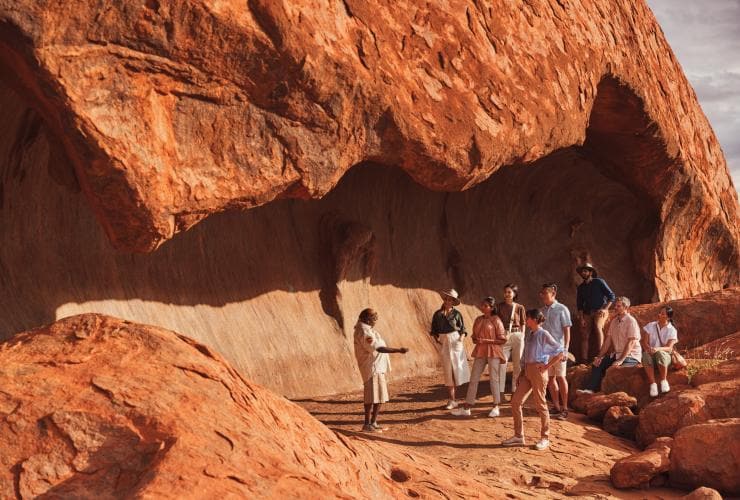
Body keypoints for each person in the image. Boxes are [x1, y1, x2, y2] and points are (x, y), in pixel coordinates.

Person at [502, 309, 564, 451]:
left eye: (528, 318)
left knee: (540, 404)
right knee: (515, 402)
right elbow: (525, 355)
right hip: (528, 372)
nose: (526, 320)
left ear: (535, 319)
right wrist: (522, 372)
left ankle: (545, 438)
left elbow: (560, 352)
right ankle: (519, 436)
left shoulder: (543, 334)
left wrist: (547, 366)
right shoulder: (529, 334)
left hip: (538, 371)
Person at [353, 308, 409, 432]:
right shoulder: (364, 331)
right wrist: (398, 350)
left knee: (380, 396)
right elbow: (379, 348)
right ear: (368, 319)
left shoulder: (368, 330)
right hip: (371, 367)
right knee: (371, 397)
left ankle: (373, 422)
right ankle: (367, 424)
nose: (375, 321)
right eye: (374, 319)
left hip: (378, 367)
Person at [451, 297, 507, 417]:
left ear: (492, 308)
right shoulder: (478, 319)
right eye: (482, 305)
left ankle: (496, 407)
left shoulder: (496, 320)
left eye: (486, 306)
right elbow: (474, 337)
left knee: (494, 379)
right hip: (480, 350)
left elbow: (502, 339)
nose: (483, 307)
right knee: (474, 378)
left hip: (493, 351)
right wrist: (476, 339)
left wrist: (485, 340)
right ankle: (467, 408)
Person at [577, 297, 642, 394]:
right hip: (617, 355)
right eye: (615, 305)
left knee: (615, 370)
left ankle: (613, 395)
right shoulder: (614, 321)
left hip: (631, 356)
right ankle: (590, 390)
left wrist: (620, 360)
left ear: (626, 307)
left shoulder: (631, 321)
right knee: (597, 364)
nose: (615, 307)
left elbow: (631, 343)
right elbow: (608, 341)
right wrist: (599, 357)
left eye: (618, 306)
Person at [430, 289, 471, 409]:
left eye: (450, 300)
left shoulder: (457, 314)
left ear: (453, 302)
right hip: (444, 341)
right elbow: (434, 330)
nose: (448, 301)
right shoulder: (437, 314)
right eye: (446, 299)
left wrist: (460, 340)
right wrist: (438, 340)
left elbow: (463, 329)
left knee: (457, 369)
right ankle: (452, 400)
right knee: (448, 371)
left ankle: (456, 398)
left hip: (455, 339)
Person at [540, 283, 572, 420]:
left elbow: (567, 330)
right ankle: (556, 406)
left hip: (558, 349)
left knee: (561, 377)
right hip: (546, 351)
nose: (542, 296)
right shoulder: (542, 310)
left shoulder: (561, 309)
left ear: (553, 294)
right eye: (541, 294)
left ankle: (565, 409)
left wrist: (565, 349)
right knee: (551, 378)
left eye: (545, 294)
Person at [576, 263, 616, 362]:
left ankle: (600, 356)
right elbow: (579, 305)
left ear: (590, 272)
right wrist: (581, 318)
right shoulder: (581, 287)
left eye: (585, 271)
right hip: (587, 312)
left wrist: (605, 309)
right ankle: (584, 359)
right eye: (582, 271)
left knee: (598, 326)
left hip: (600, 310)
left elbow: (611, 296)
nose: (583, 273)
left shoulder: (599, 282)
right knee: (584, 334)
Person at [497, 284, 526, 397]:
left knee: (517, 364)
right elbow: (497, 321)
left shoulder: (519, 307)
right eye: (505, 292)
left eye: (509, 292)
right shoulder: (499, 307)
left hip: (517, 334)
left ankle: (515, 390)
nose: (507, 294)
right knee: (502, 363)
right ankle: (500, 391)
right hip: (504, 335)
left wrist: (522, 335)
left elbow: (523, 323)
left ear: (514, 294)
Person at [641, 306, 678, 397]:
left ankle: (664, 381)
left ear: (668, 317)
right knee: (645, 355)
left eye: (662, 314)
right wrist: (649, 349)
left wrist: (657, 349)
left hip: (665, 356)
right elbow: (644, 342)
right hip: (651, 354)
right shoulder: (650, 325)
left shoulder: (672, 330)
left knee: (660, 353)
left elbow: (669, 348)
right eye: (660, 312)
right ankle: (653, 384)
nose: (659, 315)